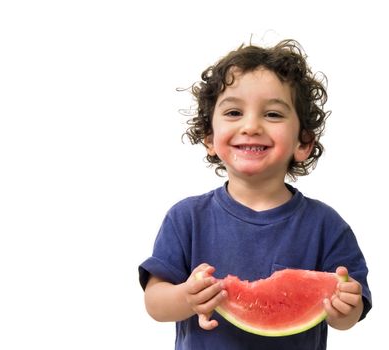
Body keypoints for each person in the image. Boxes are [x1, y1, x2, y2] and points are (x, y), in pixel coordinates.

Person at [139, 39, 372, 350]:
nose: (251, 126)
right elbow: (155, 302)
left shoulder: (326, 225)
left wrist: (346, 305)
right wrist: (186, 297)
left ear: (302, 143)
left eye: (273, 115)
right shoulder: (187, 218)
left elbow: (346, 318)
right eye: (234, 112)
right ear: (209, 138)